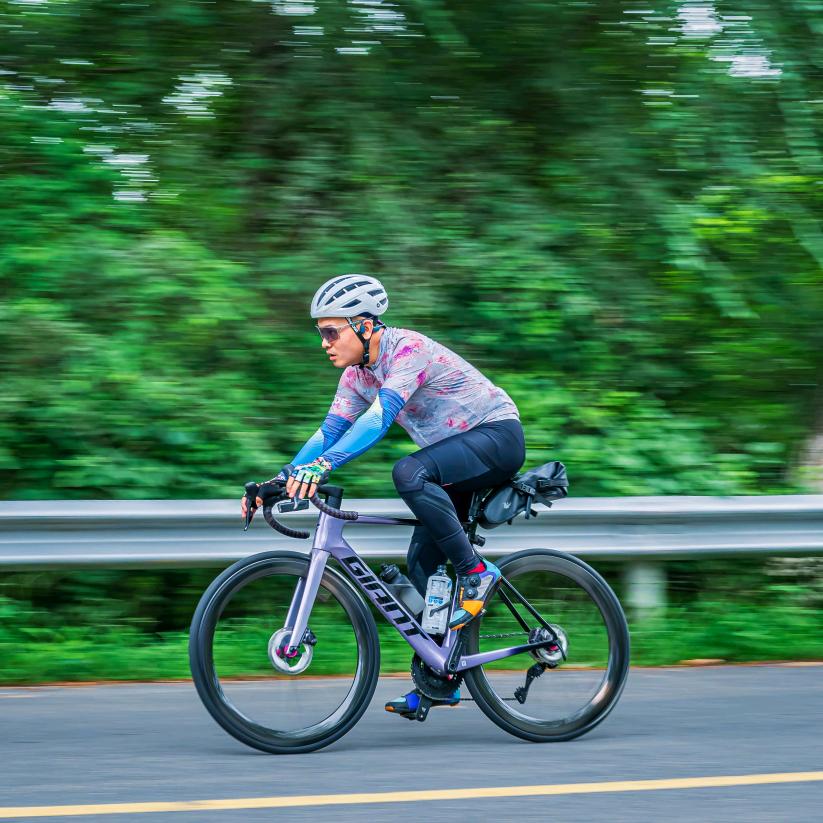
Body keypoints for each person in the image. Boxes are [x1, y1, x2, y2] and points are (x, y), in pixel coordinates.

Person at [241, 274, 526, 717]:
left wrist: (323, 467)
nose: (324, 343)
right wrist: (279, 480)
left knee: (408, 471)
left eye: (331, 332)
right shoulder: (357, 377)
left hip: (496, 438)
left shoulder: (407, 349)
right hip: (453, 462)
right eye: (321, 333)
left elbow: (378, 420)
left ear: (364, 325)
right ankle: (442, 678)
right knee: (422, 566)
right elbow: (328, 433)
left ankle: (476, 573)